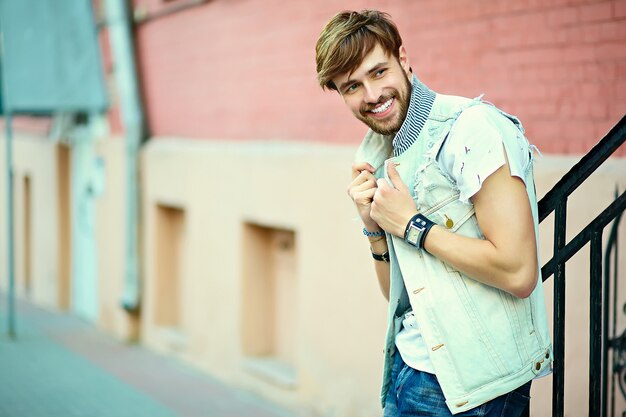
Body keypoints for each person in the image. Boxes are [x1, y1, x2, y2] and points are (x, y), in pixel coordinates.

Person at [315, 10, 553, 417]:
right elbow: (396, 293)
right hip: (407, 371)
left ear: (404, 58)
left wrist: (411, 225)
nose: (371, 95)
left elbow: (518, 272)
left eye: (378, 72)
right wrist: (374, 228)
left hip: (476, 388)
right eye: (352, 86)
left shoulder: (471, 130)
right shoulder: (377, 152)